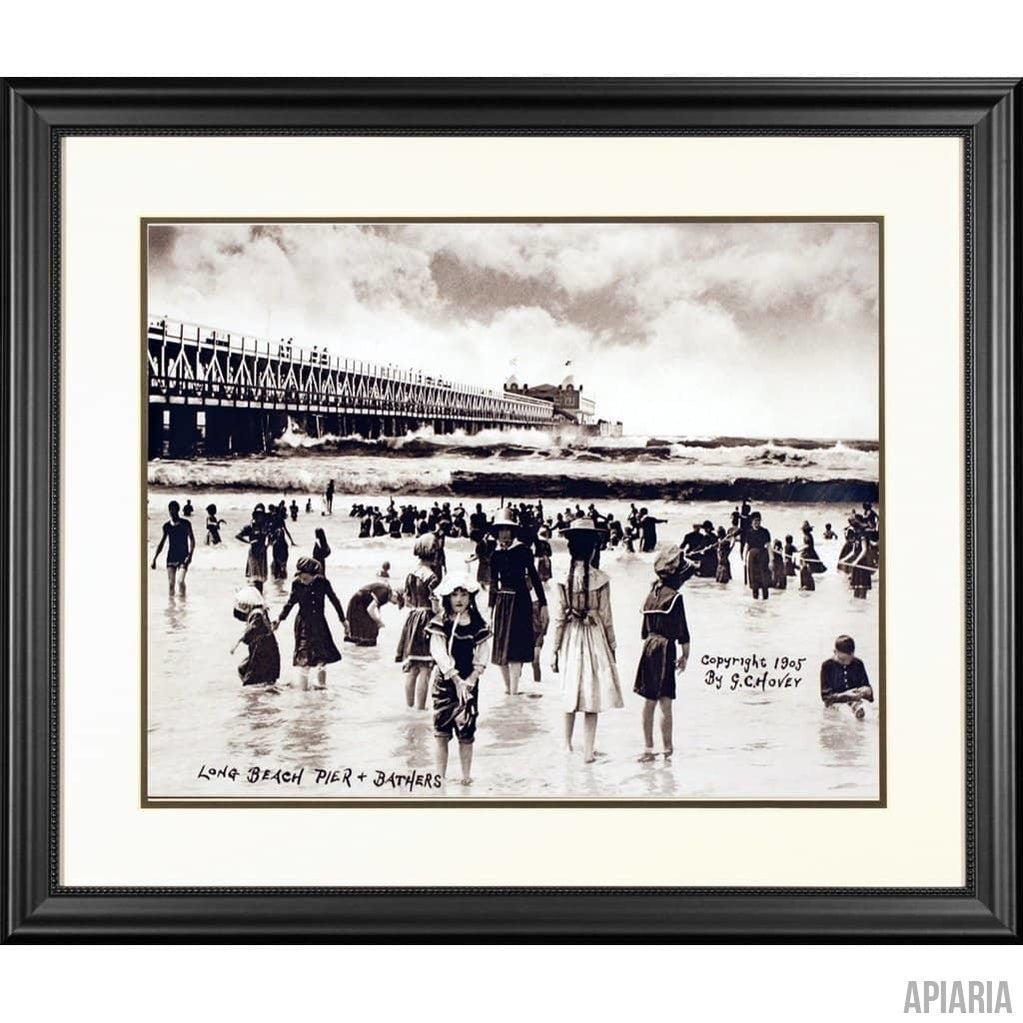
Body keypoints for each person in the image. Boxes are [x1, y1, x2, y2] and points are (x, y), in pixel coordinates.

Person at [550, 519, 622, 763]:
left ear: (570, 548)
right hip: (594, 637)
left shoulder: (562, 577)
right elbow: (607, 616)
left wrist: (554, 649)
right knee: (592, 695)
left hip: (571, 636)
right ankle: (589, 752)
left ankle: (567, 746)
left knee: (570, 691)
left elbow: (559, 617)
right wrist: (612, 648)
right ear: (593, 549)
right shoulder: (601, 578)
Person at [426, 572, 491, 786]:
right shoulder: (440, 622)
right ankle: (440, 778)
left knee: (467, 730)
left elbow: (482, 655)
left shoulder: (477, 623)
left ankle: (465, 776)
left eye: (464, 594)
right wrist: (455, 679)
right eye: (455, 594)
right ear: (447, 597)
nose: (459, 599)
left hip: (469, 682)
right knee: (441, 732)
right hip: (445, 683)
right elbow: (439, 653)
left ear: (470, 597)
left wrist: (471, 679)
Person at [634, 547, 696, 762]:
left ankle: (648, 748)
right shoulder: (675, 599)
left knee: (648, 701)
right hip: (665, 648)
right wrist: (685, 655)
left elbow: (644, 632)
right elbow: (683, 631)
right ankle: (667, 750)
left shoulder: (650, 596)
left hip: (649, 648)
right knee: (665, 702)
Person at [488, 507, 548, 696]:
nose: (504, 533)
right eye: (501, 530)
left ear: (513, 531)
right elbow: (492, 583)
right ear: (496, 533)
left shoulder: (523, 550)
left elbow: (535, 577)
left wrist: (544, 603)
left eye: (507, 529)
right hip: (502, 601)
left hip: (521, 601)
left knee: (516, 647)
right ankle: (509, 690)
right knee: (500, 649)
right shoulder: (495, 555)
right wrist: (490, 609)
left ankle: (514, 691)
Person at [275, 556, 346, 690]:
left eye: (305, 578)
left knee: (321, 656)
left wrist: (343, 620)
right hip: (303, 624)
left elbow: (334, 601)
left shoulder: (323, 582)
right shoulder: (296, 583)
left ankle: (321, 687)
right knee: (304, 658)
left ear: (314, 575)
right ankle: (302, 689)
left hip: (319, 623)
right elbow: (291, 603)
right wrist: (280, 619)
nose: (302, 580)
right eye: (301, 577)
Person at [396, 536, 441, 710]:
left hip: (412, 618)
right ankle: (420, 708)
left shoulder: (410, 574)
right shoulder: (432, 577)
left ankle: (409, 706)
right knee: (425, 668)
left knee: (412, 667)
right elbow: (436, 607)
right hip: (426, 620)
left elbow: (408, 601)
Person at [820, 635, 874, 719]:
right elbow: (826, 697)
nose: (847, 663)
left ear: (853, 654)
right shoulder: (827, 666)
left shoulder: (858, 664)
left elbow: (868, 691)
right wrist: (847, 695)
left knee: (871, 715)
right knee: (847, 716)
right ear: (835, 652)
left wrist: (867, 691)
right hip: (836, 703)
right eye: (842, 660)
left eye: (850, 659)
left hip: (857, 701)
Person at [230, 605, 281, 687]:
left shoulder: (256, 614)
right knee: (243, 669)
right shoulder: (261, 611)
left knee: (251, 682)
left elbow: (250, 633)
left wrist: (239, 641)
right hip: (268, 652)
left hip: (262, 653)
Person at [151, 500, 195, 595]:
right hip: (171, 556)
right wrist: (154, 559)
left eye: (174, 510)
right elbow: (162, 543)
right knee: (171, 584)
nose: (171, 512)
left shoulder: (186, 523)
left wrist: (190, 555)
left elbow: (192, 540)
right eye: (170, 510)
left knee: (180, 581)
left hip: (184, 556)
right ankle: (172, 607)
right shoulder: (166, 526)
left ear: (178, 510)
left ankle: (183, 604)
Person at [345, 577, 398, 647]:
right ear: (395, 595)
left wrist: (378, 621)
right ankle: (360, 651)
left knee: (369, 632)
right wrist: (379, 622)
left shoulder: (387, 594)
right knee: (370, 634)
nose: (395, 604)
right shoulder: (385, 592)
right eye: (397, 602)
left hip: (360, 603)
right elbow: (370, 609)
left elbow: (377, 608)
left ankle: (357, 650)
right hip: (358, 603)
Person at [236, 506, 270, 593]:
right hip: (254, 552)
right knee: (255, 578)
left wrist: (267, 545)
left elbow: (270, 537)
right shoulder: (250, 526)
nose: (260, 516)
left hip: (262, 552)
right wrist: (249, 542)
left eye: (261, 514)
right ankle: (256, 596)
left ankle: (260, 596)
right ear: (255, 515)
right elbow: (238, 535)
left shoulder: (265, 526)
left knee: (261, 578)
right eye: (258, 514)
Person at [744, 511, 771, 600]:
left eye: (758, 520)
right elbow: (747, 546)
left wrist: (771, 560)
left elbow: (768, 546)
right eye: (755, 520)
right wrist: (744, 559)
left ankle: (765, 600)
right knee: (754, 581)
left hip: (763, 557)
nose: (757, 522)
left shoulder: (765, 532)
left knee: (764, 581)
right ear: (752, 521)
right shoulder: (749, 532)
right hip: (752, 559)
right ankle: (755, 602)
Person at [269, 516, 293, 581]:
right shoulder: (279, 542)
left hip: (280, 556)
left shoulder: (278, 542)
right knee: (279, 568)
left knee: (278, 568)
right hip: (280, 557)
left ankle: (278, 582)